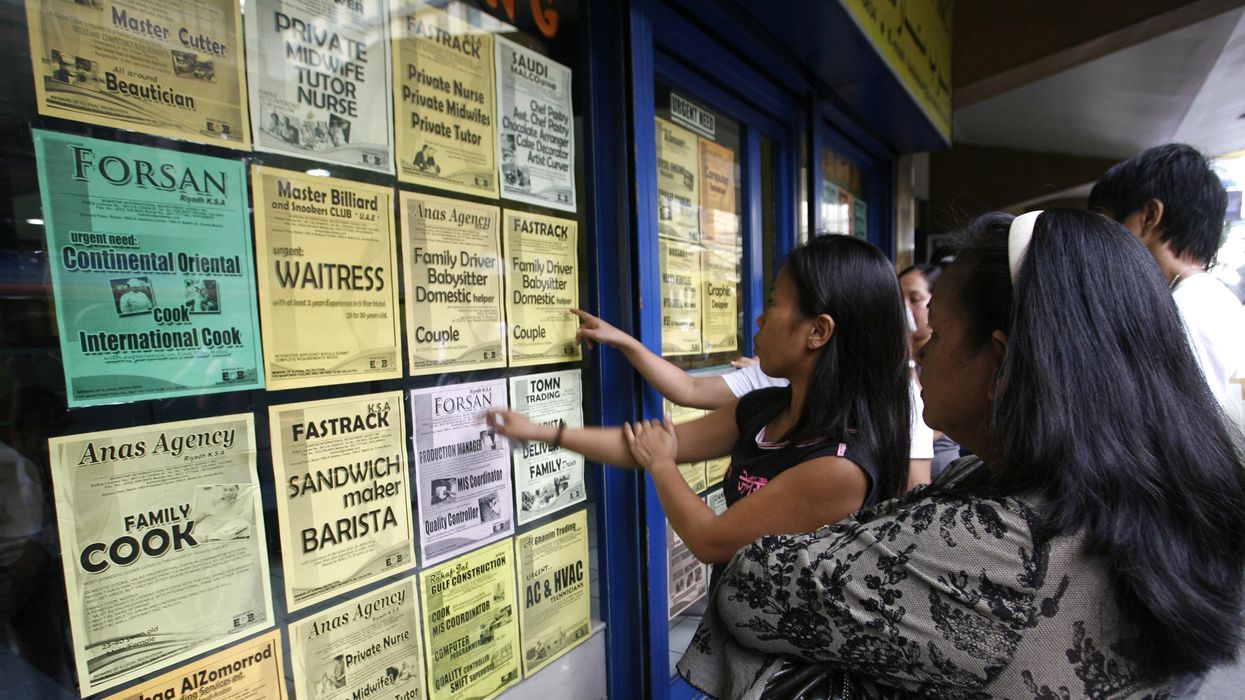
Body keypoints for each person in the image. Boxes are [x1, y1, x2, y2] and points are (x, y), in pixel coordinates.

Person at [676, 209, 1245, 697]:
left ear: (999, 366)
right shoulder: (1136, 500)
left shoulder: (998, 547)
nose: (919, 345)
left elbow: (745, 584)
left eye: (939, 332)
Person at [486, 235, 911, 564]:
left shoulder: (838, 465)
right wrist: (542, 431)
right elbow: (643, 445)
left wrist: (662, 464)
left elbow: (712, 540)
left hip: (791, 671)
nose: (760, 319)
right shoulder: (766, 409)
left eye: (773, 303)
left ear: (818, 331)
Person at [1089, 143, 1245, 426]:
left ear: (1148, 217)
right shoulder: (1215, 300)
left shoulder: (1180, 313)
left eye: (1107, 227)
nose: (1099, 247)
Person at [899, 262, 962, 479]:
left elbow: (929, 429)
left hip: (939, 474)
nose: (904, 308)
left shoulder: (950, 358)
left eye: (914, 299)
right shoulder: (895, 356)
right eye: (899, 300)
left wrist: (907, 362)